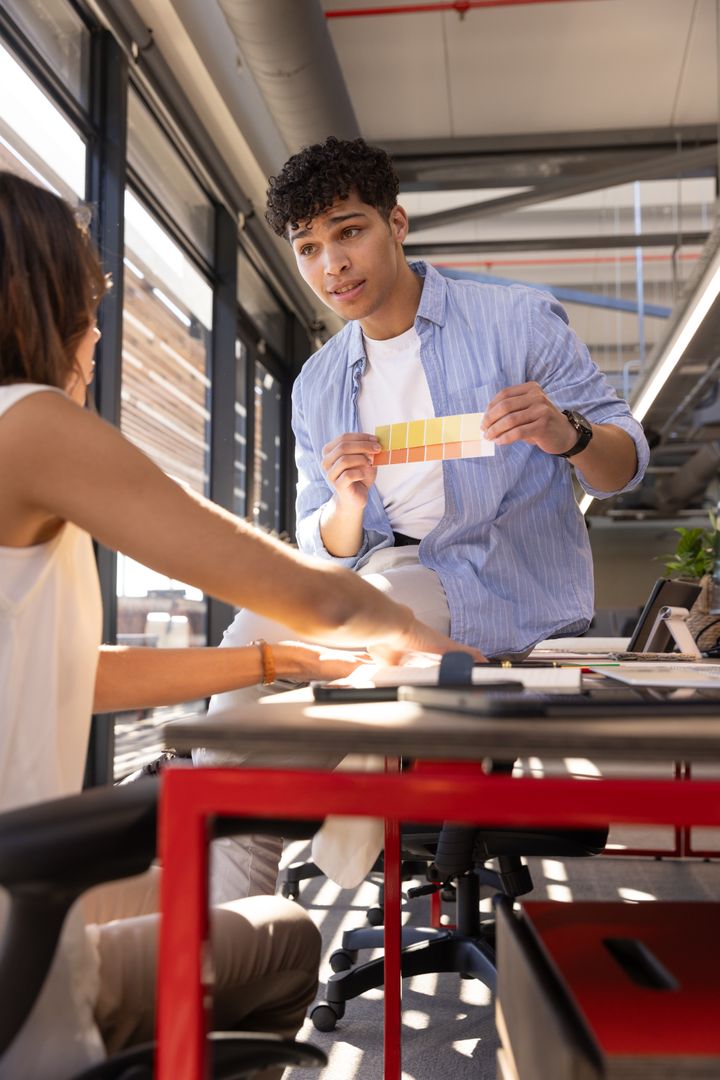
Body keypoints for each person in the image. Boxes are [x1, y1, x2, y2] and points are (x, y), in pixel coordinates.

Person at [0, 170, 474, 1080]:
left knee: (182, 888)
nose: (97, 331)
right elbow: (320, 589)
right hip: (15, 973)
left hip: (16, 893)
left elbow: (73, 672)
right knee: (288, 937)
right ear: (40, 301)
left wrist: (268, 658)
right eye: (87, 304)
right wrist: (441, 655)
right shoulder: (29, 422)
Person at [202, 135, 649, 894]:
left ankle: (232, 823)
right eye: (309, 248)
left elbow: (625, 465)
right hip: (377, 574)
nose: (331, 265)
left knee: (348, 639)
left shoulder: (516, 322)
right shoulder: (317, 384)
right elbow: (327, 540)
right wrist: (345, 501)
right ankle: (228, 913)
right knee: (246, 639)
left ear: (396, 223)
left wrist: (565, 431)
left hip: (495, 578)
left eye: (349, 231)